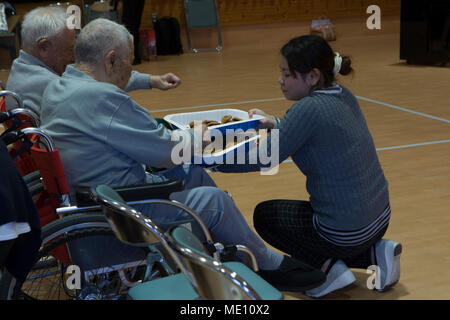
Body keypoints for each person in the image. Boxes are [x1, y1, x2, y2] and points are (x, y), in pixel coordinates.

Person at [39, 18, 325, 292]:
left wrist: (149, 86)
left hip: (90, 196)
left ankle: (219, 251)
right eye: (129, 60)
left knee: (193, 173)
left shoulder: (59, 86)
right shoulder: (104, 99)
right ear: (112, 59)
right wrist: (198, 136)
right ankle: (264, 264)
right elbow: (166, 152)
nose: (130, 68)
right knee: (217, 201)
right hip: (123, 207)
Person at [214, 35, 402, 298]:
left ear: (313, 76)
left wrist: (212, 162)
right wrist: (275, 123)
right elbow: (310, 130)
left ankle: (326, 271)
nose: (280, 80)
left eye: (287, 73)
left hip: (344, 231)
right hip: (379, 218)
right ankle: (374, 252)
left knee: (265, 216)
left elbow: (263, 158)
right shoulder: (343, 94)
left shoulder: (308, 109)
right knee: (325, 220)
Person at [5, 5, 181, 118]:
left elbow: (92, 77)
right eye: (69, 49)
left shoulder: (23, 68)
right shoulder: (50, 84)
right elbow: (97, 81)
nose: (73, 57)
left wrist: (151, 80)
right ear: (43, 48)